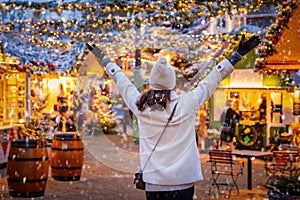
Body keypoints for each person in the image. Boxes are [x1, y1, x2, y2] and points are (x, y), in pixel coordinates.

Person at [87, 35, 260, 200]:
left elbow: (121, 79)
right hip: (182, 180)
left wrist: (104, 59)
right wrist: (237, 55)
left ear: (152, 82)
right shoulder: (187, 103)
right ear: (172, 83)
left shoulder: (140, 105)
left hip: (154, 182)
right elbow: (214, 78)